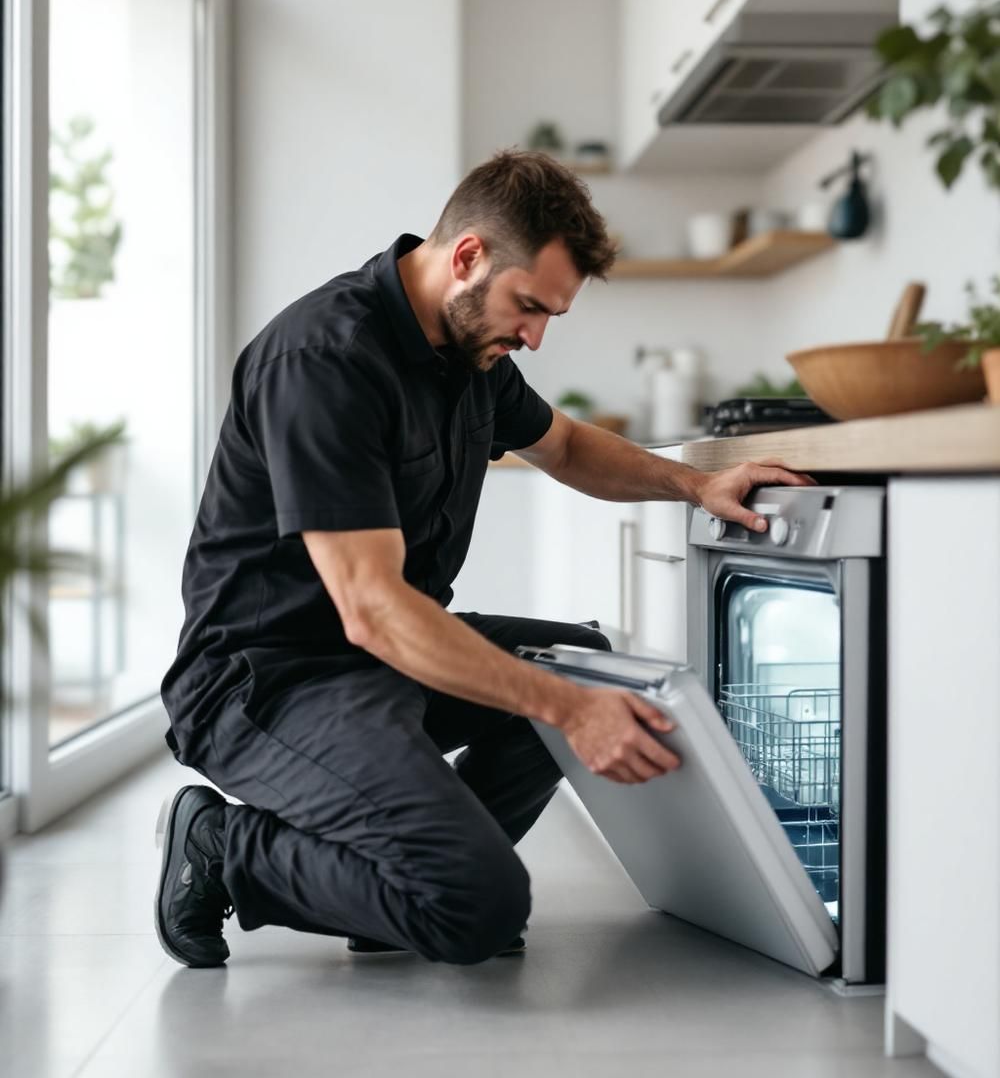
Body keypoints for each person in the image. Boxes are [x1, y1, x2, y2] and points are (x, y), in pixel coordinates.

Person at [155, 149, 814, 969]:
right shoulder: (324, 360)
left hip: (380, 659)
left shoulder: (470, 356)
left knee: (585, 665)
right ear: (467, 256)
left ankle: (390, 897)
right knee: (477, 902)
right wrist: (571, 713)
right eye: (529, 306)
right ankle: (226, 847)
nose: (534, 337)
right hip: (266, 680)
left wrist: (696, 484)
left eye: (550, 318)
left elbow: (567, 445)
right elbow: (372, 609)